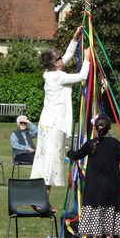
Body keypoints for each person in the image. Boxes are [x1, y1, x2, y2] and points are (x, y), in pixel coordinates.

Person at [67, 114, 120, 238]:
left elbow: (76, 155)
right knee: (110, 218)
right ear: (109, 128)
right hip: (113, 189)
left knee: (95, 222)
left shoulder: (91, 144)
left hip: (95, 190)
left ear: (94, 128)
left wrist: (68, 152)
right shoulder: (116, 144)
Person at [30, 26, 91, 201]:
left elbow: (67, 57)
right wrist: (86, 59)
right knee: (50, 163)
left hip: (47, 123)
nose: (61, 58)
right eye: (58, 58)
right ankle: (42, 201)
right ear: (55, 64)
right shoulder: (57, 77)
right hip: (54, 125)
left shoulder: (50, 73)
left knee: (44, 161)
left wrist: (75, 38)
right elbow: (81, 77)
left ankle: (39, 200)